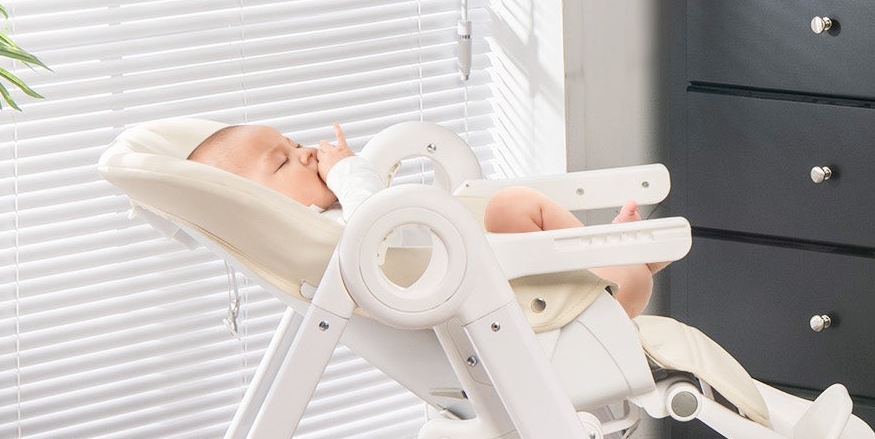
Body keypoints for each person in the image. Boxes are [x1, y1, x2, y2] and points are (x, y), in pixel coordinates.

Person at [187, 122, 665, 316]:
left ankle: (608, 250)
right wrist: (350, 171)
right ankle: (626, 264)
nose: (307, 152)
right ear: (262, 204)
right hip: (531, 307)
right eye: (283, 161)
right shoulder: (335, 230)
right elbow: (372, 225)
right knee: (516, 206)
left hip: (509, 276)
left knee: (513, 204)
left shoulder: (334, 212)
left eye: (293, 143)